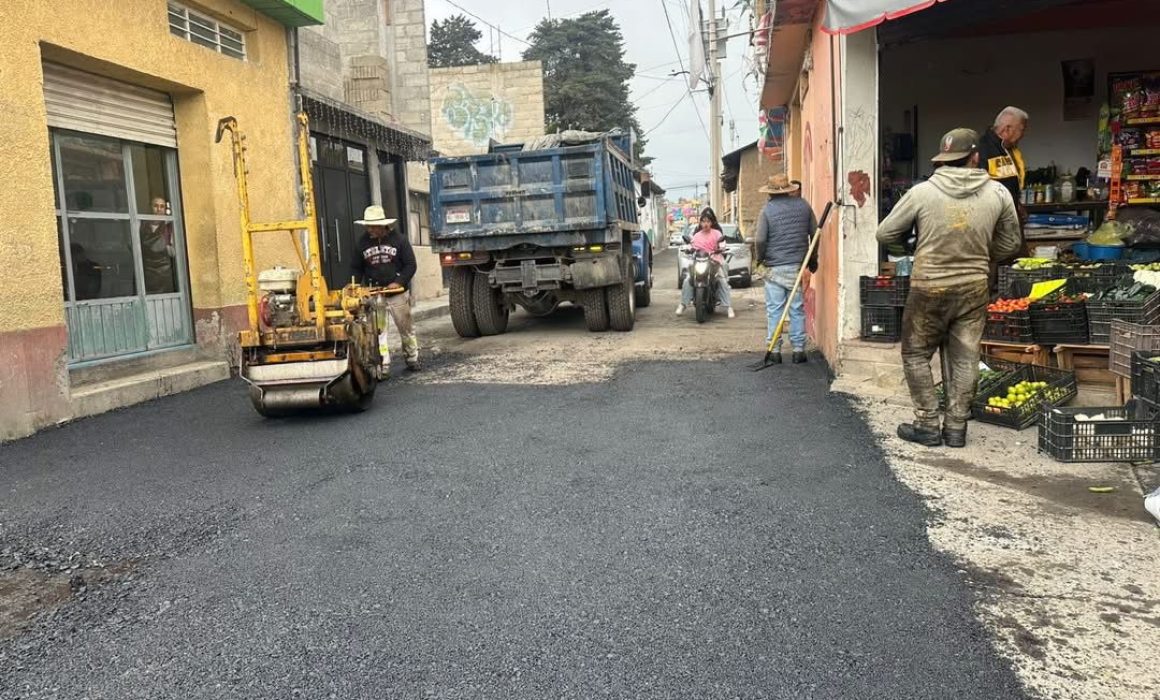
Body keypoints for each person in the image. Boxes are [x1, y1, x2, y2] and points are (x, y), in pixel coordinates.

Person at [877, 128, 1022, 448]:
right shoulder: (998, 193)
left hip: (929, 286)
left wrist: (908, 253)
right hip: (973, 286)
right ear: (974, 157)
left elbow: (885, 234)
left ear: (944, 159)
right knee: (966, 356)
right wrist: (983, 256)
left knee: (915, 353)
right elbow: (1012, 242)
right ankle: (956, 428)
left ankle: (927, 423)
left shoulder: (922, 193)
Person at [351, 205, 421, 372]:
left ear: (383, 225)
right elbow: (356, 268)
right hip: (375, 294)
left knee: (406, 327)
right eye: (367, 226)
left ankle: (412, 358)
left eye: (373, 226)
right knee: (378, 332)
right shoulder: (362, 243)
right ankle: (383, 364)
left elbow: (410, 265)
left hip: (397, 293)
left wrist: (399, 282)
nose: (369, 230)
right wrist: (354, 288)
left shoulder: (400, 240)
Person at [754, 174, 816, 364]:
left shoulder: (767, 210)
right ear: (788, 190)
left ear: (771, 193)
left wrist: (760, 259)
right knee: (797, 309)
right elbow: (815, 234)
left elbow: (760, 240)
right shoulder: (803, 206)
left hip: (774, 267)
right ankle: (798, 350)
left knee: (775, 310)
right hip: (797, 265)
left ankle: (775, 350)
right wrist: (813, 260)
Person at [676, 209, 734, 318]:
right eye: (703, 221)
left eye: (708, 221)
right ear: (700, 223)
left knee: (721, 280)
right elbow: (691, 245)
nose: (705, 224)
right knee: (688, 279)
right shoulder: (696, 235)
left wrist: (720, 249)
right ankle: (683, 304)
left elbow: (722, 244)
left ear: (711, 223)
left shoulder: (717, 233)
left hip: (714, 261)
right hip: (699, 261)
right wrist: (689, 249)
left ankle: (728, 307)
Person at [979, 106, 1029, 229]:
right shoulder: (982, 150)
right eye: (1021, 130)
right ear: (1007, 129)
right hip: (993, 224)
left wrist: (1016, 204)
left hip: (1010, 220)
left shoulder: (1008, 150)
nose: (1023, 135)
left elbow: (1007, 184)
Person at [139, 197, 177, 294]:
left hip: (164, 278)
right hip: (145, 276)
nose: (159, 209)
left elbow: (175, 253)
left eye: (162, 206)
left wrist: (163, 248)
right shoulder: (141, 225)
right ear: (150, 208)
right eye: (155, 206)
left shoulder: (170, 227)